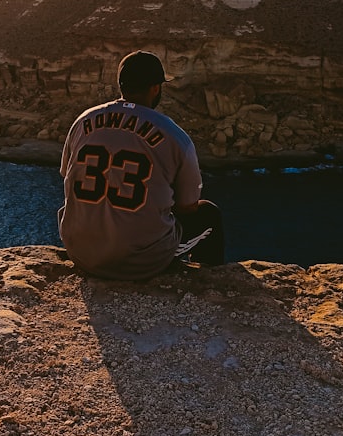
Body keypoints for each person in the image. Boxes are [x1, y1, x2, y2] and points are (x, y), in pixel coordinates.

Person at [58, 50, 225, 279]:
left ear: (121, 85)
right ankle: (208, 285)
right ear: (155, 88)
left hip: (80, 252)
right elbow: (188, 207)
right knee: (209, 214)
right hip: (139, 262)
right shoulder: (175, 136)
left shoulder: (83, 121)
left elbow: (67, 175)